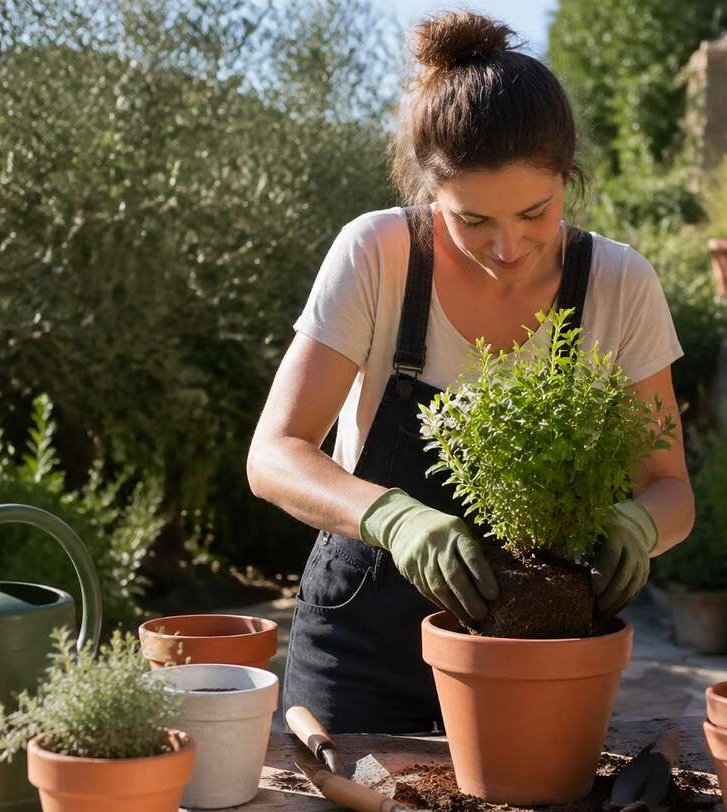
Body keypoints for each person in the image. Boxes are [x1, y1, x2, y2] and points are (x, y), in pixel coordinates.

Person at [246, 11, 694, 734]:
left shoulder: (619, 284)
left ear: (568, 177)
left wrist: (639, 525)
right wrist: (392, 517)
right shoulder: (379, 255)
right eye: (472, 220)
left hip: (536, 654)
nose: (509, 245)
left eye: (534, 212)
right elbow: (273, 455)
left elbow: (671, 487)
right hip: (359, 653)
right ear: (429, 191)